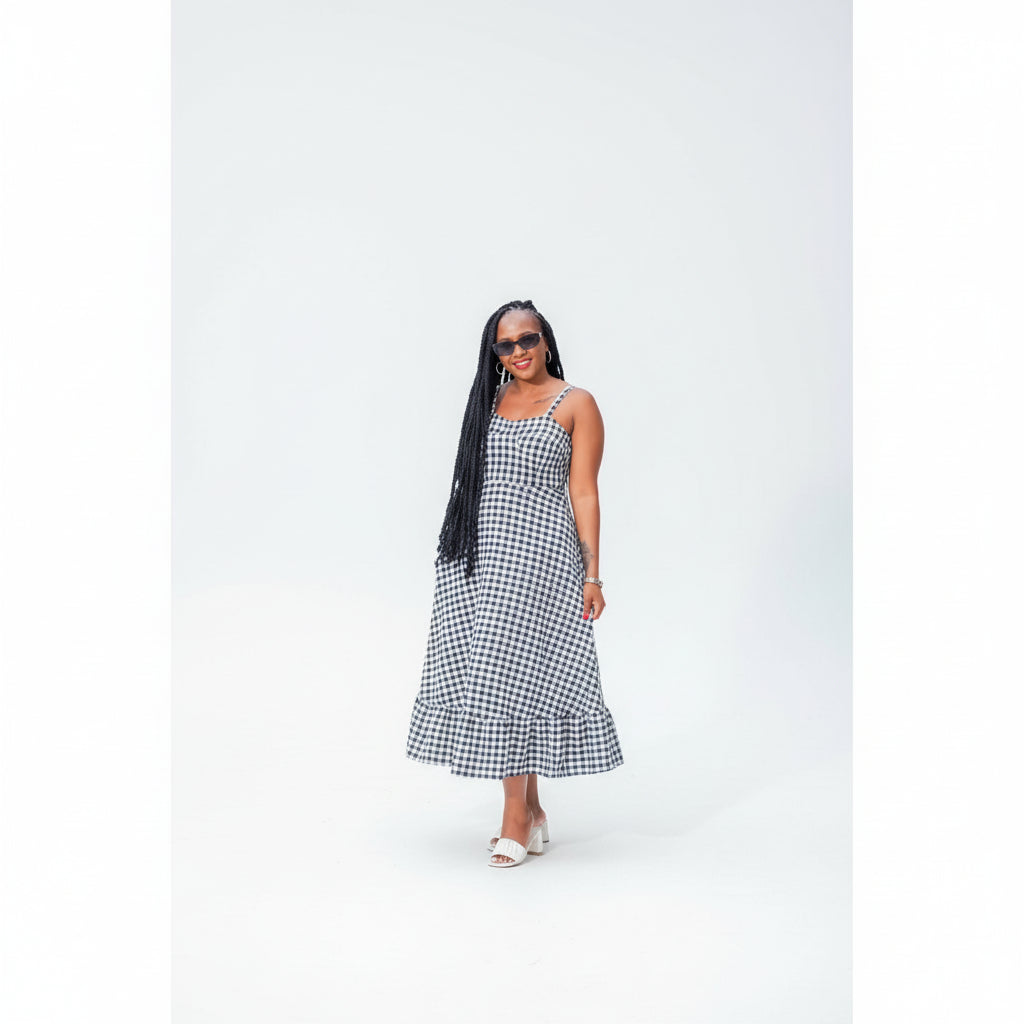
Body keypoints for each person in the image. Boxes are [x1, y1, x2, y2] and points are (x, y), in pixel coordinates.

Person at [405, 298, 624, 867]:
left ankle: (514, 818)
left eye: (528, 339)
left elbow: (584, 491)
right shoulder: (491, 399)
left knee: (512, 677)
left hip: (540, 560)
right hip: (480, 559)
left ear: (545, 339)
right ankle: (532, 809)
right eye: (505, 345)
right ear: (495, 352)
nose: (518, 351)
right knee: (501, 677)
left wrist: (593, 574)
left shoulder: (576, 403)